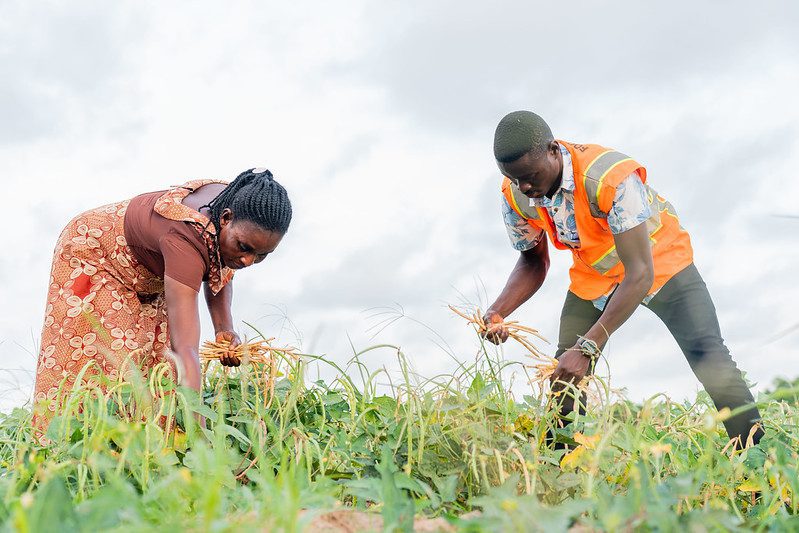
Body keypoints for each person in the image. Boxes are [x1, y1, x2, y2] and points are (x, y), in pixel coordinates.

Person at [484, 110, 762, 447]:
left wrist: (587, 347)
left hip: (659, 264)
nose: (525, 187)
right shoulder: (516, 194)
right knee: (564, 374)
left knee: (709, 357)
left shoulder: (610, 177)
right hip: (596, 274)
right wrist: (497, 311)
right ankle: (558, 473)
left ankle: (758, 465)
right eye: (514, 178)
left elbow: (640, 274)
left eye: (530, 175)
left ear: (554, 150)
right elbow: (532, 261)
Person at [33, 168, 291, 424]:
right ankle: (71, 453)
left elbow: (220, 263)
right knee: (118, 368)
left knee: (159, 365)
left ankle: (149, 454)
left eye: (261, 255)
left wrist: (225, 329)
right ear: (225, 218)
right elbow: (185, 348)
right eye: (244, 248)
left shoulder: (242, 209)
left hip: (150, 270)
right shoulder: (186, 235)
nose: (247, 261)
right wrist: (199, 437)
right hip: (96, 253)